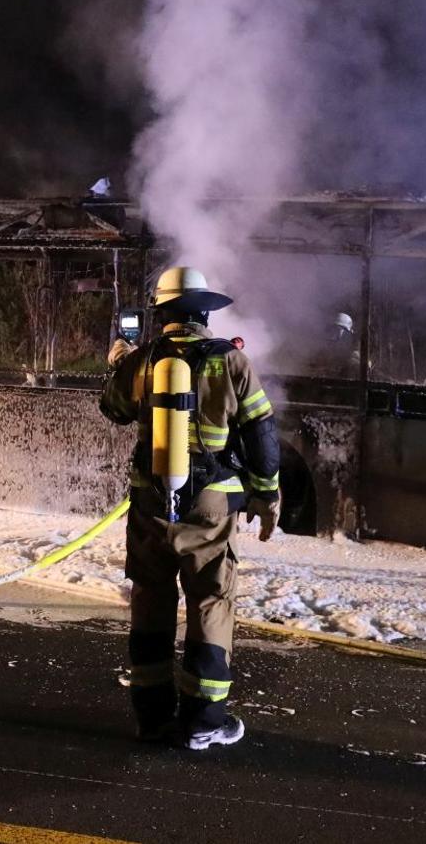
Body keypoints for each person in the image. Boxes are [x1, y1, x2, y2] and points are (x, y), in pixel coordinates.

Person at [100, 266, 280, 750]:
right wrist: (267, 495)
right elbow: (260, 434)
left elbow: (113, 409)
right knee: (210, 601)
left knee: (151, 599)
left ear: (162, 314)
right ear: (203, 312)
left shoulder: (143, 360)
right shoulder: (231, 363)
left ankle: (152, 716)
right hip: (210, 505)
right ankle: (203, 720)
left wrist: (118, 363)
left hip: (148, 504)